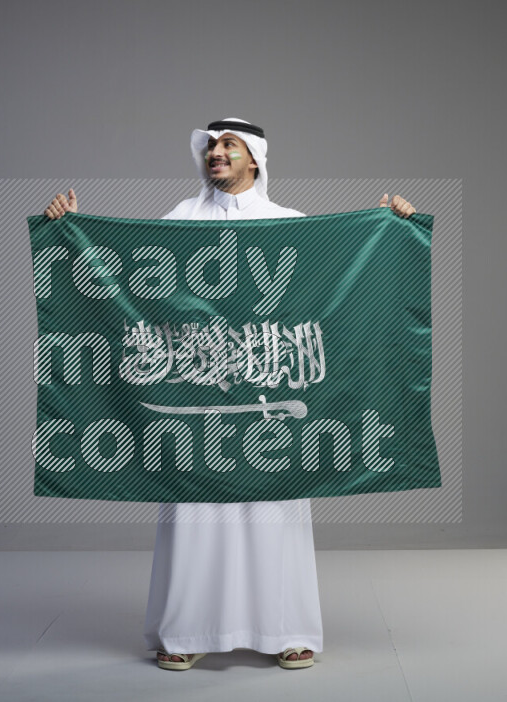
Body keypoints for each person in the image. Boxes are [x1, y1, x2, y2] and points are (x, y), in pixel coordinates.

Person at [44, 118, 416, 671]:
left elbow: (334, 281)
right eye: (211, 147)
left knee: (276, 508)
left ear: (256, 160)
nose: (215, 154)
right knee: (194, 514)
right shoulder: (180, 221)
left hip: (268, 395)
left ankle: (288, 630)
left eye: (228, 146)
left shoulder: (289, 225)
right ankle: (185, 631)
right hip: (198, 392)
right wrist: (70, 232)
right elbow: (126, 283)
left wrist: (391, 229)